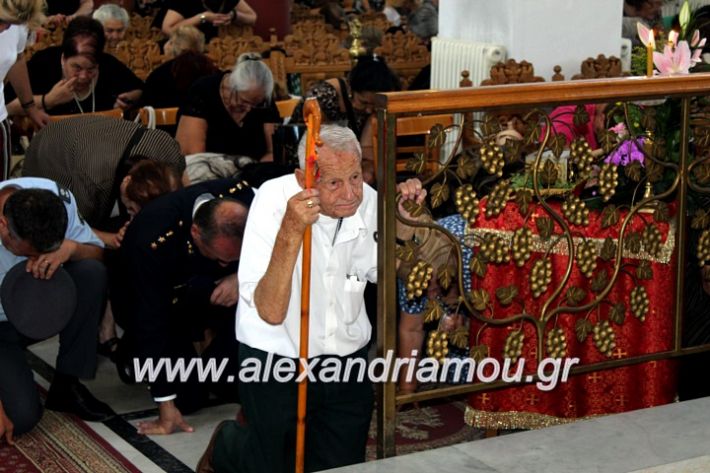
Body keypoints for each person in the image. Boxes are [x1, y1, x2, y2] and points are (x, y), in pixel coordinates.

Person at [198, 124, 425, 472]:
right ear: (304, 176)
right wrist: (291, 229)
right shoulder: (272, 202)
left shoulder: (365, 200)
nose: (350, 192)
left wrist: (406, 226)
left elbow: (384, 272)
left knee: (342, 464)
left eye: (355, 176)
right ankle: (227, 445)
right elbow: (270, 311)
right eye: (334, 182)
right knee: (273, 463)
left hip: (345, 358)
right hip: (276, 355)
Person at [113, 178, 256, 435]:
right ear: (195, 233)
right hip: (163, 304)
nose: (226, 263)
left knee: (229, 383)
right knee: (187, 399)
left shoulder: (247, 198)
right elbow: (150, 319)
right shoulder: (151, 237)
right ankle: (131, 352)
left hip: (217, 293)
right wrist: (164, 404)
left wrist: (241, 277)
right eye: (222, 258)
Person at [0, 179, 112, 446]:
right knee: (22, 418)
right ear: (3, 227)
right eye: (27, 252)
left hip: (34, 306)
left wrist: (72, 249)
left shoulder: (53, 198)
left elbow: (96, 252)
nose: (33, 258)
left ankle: (67, 385)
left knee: (90, 272)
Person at [22, 115, 185, 229]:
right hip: (52, 147)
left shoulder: (170, 151)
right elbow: (79, 229)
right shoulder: (93, 178)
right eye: (130, 210)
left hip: (100, 138)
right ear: (126, 181)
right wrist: (113, 240)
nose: (133, 217)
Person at [289, 55, 401, 184]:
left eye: (374, 106)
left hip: (347, 159)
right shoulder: (323, 96)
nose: (369, 110)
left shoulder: (373, 107)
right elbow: (318, 144)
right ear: (351, 89)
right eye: (363, 103)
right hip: (311, 159)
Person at [5, 16, 143, 116]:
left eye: (91, 69)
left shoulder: (108, 65)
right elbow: (8, 107)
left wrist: (128, 100)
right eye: (77, 67)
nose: (83, 76)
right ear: (64, 58)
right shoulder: (44, 62)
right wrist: (48, 100)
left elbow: (140, 90)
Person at [176, 52, 280, 161]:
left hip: (253, 172)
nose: (249, 109)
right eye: (244, 101)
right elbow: (193, 157)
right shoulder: (203, 91)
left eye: (256, 104)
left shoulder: (262, 98)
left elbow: (273, 152)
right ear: (231, 87)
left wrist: (257, 171)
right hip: (208, 170)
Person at [0, 0, 50, 181]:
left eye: (11, 24)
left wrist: (31, 108)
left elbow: (17, 60)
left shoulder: (17, 21)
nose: (5, 28)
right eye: (2, 21)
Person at [142, 25, 219, 109]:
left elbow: (146, 109)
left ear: (173, 45)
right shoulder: (214, 71)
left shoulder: (159, 74)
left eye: (170, 41)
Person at [161, 0, 257, 42]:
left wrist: (233, 15)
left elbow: (252, 17)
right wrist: (203, 17)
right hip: (184, 47)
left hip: (215, 47)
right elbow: (168, 29)